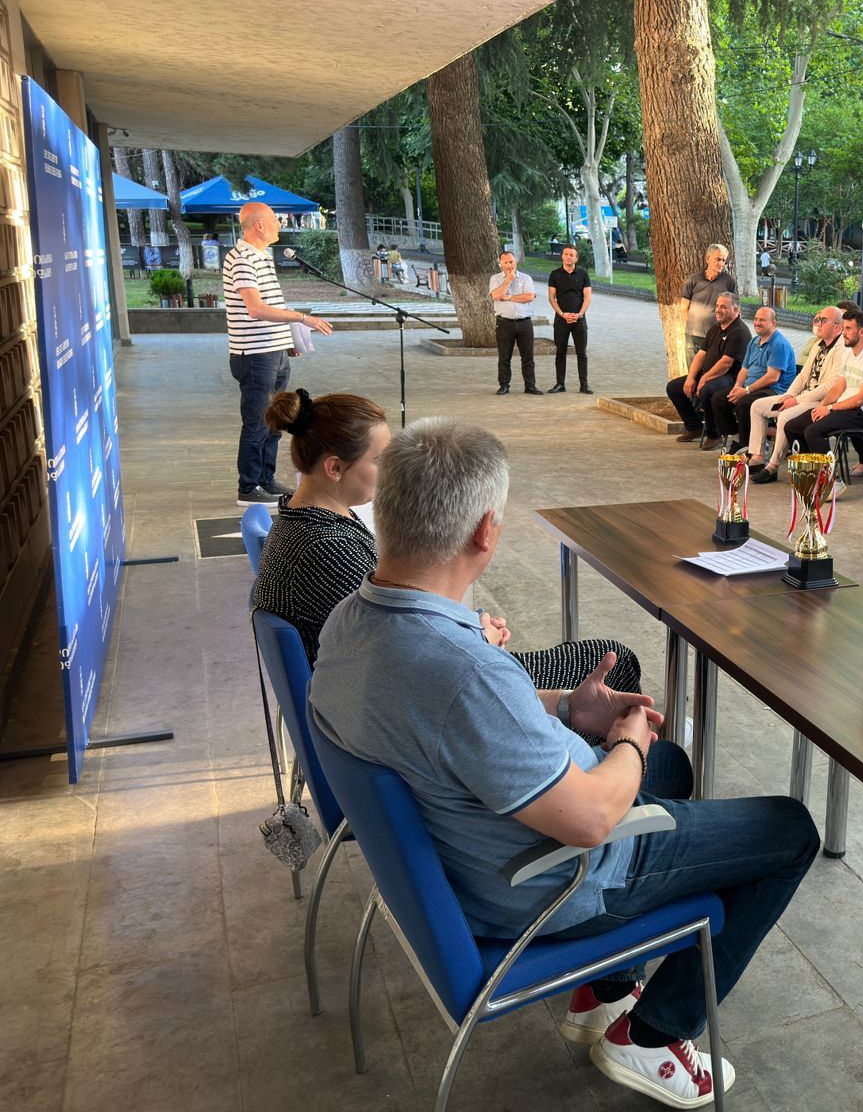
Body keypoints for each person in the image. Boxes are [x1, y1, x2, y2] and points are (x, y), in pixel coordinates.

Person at [309, 419, 819, 1107]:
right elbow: (590, 819)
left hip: (466, 849)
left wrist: (568, 709)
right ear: (486, 531)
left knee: (669, 766)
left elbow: (459, 723)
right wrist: (627, 740)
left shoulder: (351, 620)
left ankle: (603, 991)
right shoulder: (461, 672)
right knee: (788, 830)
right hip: (548, 880)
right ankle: (654, 1035)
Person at [253, 388, 642, 691]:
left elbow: (404, 622)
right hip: (427, 692)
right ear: (335, 468)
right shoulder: (327, 549)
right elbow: (407, 649)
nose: (390, 470)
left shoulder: (303, 520)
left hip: (393, 688)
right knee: (614, 660)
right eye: (380, 460)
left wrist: (472, 626)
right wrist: (479, 639)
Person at [224, 200, 333, 505]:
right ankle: (249, 486)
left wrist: (288, 340)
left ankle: (266, 480)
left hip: (273, 351)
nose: (279, 224)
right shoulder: (242, 258)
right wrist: (302, 318)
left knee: (276, 420)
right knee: (258, 421)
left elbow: (272, 305)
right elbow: (256, 309)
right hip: (255, 355)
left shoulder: (262, 256)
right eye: (275, 219)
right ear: (259, 225)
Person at [747, 306, 845, 475]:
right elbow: (802, 376)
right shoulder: (818, 344)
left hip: (821, 400)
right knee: (757, 406)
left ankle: (773, 465)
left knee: (785, 415)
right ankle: (757, 457)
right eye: (817, 319)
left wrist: (796, 400)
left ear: (837, 327)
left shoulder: (843, 349)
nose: (818, 323)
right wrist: (789, 395)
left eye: (823, 320)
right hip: (803, 396)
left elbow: (831, 385)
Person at [798, 305, 863, 473]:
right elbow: (838, 387)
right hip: (844, 408)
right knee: (793, 426)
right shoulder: (848, 353)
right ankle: (807, 471)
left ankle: (829, 478)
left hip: (862, 413)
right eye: (844, 328)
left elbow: (860, 399)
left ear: (861, 332)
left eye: (848, 329)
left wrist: (829, 408)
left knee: (812, 431)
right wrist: (822, 406)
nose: (843, 332)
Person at [709, 306, 796, 454]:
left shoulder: (779, 344)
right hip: (751, 388)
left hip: (774, 390)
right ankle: (738, 439)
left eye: (762, 320)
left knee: (744, 403)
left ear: (773, 323)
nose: (757, 322)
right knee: (719, 399)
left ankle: (748, 448)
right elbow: (744, 369)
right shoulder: (754, 341)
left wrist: (747, 391)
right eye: (756, 319)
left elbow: (772, 377)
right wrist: (737, 387)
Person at [666, 295, 750, 446]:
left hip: (730, 377)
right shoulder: (715, 328)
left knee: (707, 390)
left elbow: (726, 364)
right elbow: (701, 355)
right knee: (674, 387)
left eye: (723, 307)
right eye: (717, 306)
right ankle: (694, 427)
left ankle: (714, 434)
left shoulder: (740, 331)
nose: (718, 310)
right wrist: (691, 378)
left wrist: (704, 379)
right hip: (709, 373)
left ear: (735, 309)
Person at [489, 250, 541, 396]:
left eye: (511, 261)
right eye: (505, 262)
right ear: (500, 264)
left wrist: (509, 297)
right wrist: (508, 281)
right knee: (504, 357)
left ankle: (530, 385)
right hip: (504, 323)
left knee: (528, 357)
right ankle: (504, 385)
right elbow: (496, 296)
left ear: (515, 261)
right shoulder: (495, 279)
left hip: (525, 323)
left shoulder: (526, 278)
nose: (509, 265)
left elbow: (529, 297)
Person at [675, 245, 737, 362]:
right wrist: (692, 327)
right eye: (718, 259)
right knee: (692, 371)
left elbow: (733, 310)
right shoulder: (693, 279)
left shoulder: (729, 282)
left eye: (723, 260)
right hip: (693, 336)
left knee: (711, 370)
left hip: (716, 336)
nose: (721, 263)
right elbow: (684, 308)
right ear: (707, 259)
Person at [547, 245, 593, 394]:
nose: (568, 257)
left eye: (572, 255)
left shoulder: (583, 274)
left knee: (582, 353)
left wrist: (579, 314)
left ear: (576, 258)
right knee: (560, 353)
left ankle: (584, 385)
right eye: (566, 254)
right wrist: (562, 314)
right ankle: (560, 384)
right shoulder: (554, 274)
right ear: (562, 256)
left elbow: (587, 297)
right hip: (561, 319)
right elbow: (551, 297)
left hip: (579, 319)